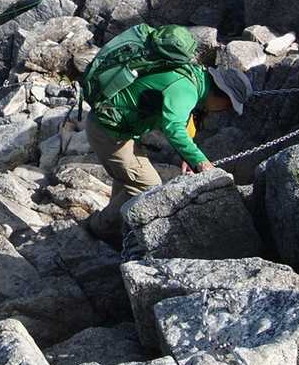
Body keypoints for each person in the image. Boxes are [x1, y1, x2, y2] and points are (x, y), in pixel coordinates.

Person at [83, 57, 252, 242]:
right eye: (228, 106)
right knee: (148, 186)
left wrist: (186, 156)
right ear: (221, 94)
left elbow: (181, 118)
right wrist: (201, 162)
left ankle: (115, 226)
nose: (224, 111)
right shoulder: (186, 90)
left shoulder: (193, 77)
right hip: (108, 131)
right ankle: (100, 229)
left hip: (115, 126)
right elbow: (174, 128)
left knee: (130, 178)